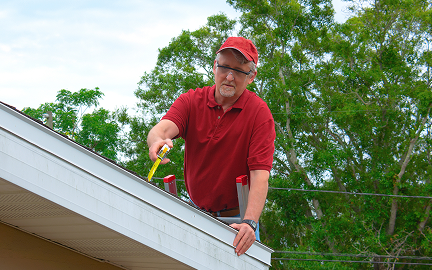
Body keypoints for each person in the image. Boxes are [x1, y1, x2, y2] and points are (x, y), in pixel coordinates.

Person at [147, 37, 275, 256]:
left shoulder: (259, 114)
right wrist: (156, 141)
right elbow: (162, 130)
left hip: (238, 222)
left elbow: (260, 175)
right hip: (195, 212)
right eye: (224, 67)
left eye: (239, 71)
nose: (229, 77)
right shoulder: (191, 100)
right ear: (215, 66)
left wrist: (250, 223)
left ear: (251, 76)